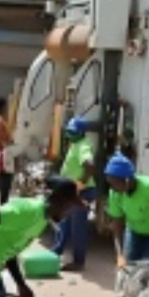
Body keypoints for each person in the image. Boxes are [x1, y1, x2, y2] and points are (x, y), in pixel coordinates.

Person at [53, 116, 97, 271]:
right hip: (71, 190)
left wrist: (81, 183)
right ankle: (55, 253)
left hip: (82, 192)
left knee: (78, 227)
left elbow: (90, 165)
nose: (69, 134)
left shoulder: (83, 145)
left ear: (81, 133)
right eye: (69, 131)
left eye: (73, 132)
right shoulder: (76, 144)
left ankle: (78, 262)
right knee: (64, 222)